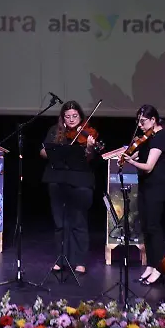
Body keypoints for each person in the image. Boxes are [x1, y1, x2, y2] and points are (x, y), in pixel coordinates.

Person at [39, 101, 101, 275]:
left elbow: (91, 157)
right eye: (68, 116)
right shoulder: (55, 131)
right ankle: (60, 259)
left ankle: (79, 261)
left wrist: (89, 147)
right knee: (60, 223)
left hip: (81, 182)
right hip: (57, 180)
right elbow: (42, 152)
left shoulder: (88, 133)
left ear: (80, 116)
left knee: (78, 222)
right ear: (63, 117)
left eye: (75, 116)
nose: (72, 119)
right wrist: (54, 150)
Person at [121, 104, 165, 286]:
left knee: (154, 228)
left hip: (157, 187)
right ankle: (151, 265)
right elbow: (141, 156)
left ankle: (159, 268)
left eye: (143, 122)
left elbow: (149, 166)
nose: (140, 125)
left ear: (153, 120)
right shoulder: (149, 136)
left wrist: (131, 162)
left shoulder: (161, 137)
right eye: (138, 121)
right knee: (146, 227)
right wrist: (131, 155)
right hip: (146, 186)